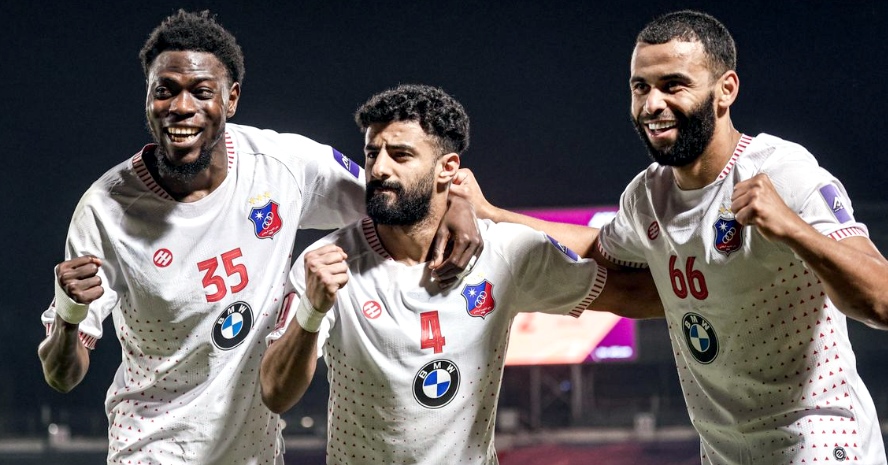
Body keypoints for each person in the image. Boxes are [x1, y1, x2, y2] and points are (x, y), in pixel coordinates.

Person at [37, 10, 482, 465]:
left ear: (231, 99)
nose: (181, 107)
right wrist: (70, 314)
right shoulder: (106, 209)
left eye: (201, 91)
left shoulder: (283, 165)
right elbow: (61, 376)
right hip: (151, 449)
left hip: (257, 452)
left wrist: (458, 200)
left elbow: (397, 194)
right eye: (164, 90)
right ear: (148, 97)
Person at [453, 9, 888, 464]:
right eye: (640, 87)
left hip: (819, 440)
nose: (652, 104)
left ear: (726, 90)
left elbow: (881, 300)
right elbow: (597, 250)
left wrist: (794, 230)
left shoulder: (782, 172)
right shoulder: (648, 196)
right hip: (724, 449)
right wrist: (492, 214)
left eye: (673, 85)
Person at [258, 84, 661, 464]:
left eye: (400, 155)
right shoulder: (327, 262)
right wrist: (312, 311)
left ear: (447, 168)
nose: (378, 168)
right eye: (372, 153)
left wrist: (706, 296)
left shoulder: (506, 252)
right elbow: (276, 393)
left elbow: (635, 294)